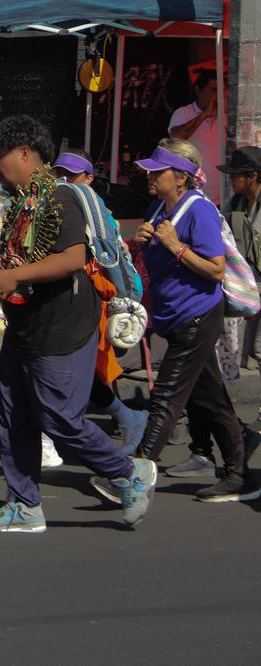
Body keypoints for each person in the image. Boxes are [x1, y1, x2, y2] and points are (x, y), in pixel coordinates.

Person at [0, 115, 155, 533]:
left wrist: (16, 276)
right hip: (25, 328)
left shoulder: (60, 199)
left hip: (62, 329)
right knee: (14, 416)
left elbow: (73, 258)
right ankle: (24, 505)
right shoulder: (25, 202)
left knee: (60, 419)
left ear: (24, 153)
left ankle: (127, 473)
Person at [90, 139, 258, 504]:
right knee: (211, 401)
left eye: (157, 170)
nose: (149, 175)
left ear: (181, 177)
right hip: (174, 318)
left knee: (165, 397)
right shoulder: (158, 210)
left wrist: (175, 246)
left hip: (197, 316)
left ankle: (133, 475)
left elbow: (215, 270)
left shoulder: (199, 211)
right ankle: (236, 475)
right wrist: (141, 242)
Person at [47, 149, 150, 459]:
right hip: (70, 300)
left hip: (90, 301)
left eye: (72, 175)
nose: (64, 180)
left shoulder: (93, 208)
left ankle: (115, 460)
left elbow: (109, 260)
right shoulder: (61, 203)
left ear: (89, 179)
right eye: (59, 174)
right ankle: (123, 419)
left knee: (66, 370)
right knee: (75, 370)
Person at [221, 147, 261, 423]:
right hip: (245, 289)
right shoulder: (234, 204)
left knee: (260, 349)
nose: (232, 180)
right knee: (242, 349)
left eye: (237, 175)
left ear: (253, 176)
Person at [169, 70, 220, 203]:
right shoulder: (183, 113)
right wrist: (204, 115)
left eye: (221, 91)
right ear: (198, 90)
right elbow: (175, 139)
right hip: (192, 196)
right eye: (213, 90)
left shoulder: (225, 117)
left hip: (221, 197)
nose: (217, 95)